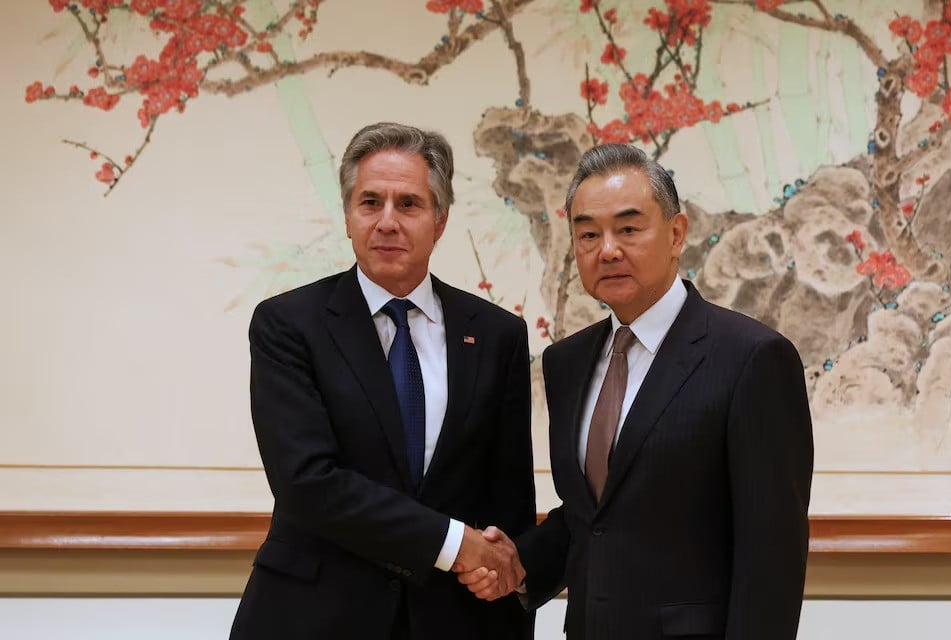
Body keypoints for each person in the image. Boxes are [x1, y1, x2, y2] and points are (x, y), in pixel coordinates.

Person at [459, 143, 813, 640]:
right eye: (588, 234)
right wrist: (519, 562)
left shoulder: (752, 359)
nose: (607, 249)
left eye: (628, 228)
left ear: (676, 233)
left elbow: (771, 554)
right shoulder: (567, 362)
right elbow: (595, 516)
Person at [230, 122, 535, 640]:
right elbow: (307, 482)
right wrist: (452, 543)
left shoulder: (497, 334)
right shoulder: (288, 324)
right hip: (313, 616)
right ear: (348, 217)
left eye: (409, 204)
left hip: (454, 621)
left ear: (439, 221)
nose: (387, 222)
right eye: (370, 203)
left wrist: (507, 586)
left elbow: (507, 501)